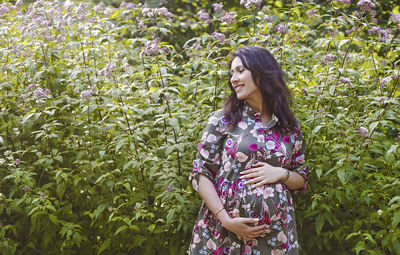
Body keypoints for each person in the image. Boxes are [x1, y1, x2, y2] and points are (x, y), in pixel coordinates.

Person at [188, 46, 309, 255]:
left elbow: (302, 178)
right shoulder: (222, 120)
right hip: (222, 232)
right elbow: (200, 174)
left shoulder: (289, 125)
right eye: (231, 73)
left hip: (274, 236)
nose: (233, 78)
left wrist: (281, 173)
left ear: (262, 72)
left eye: (240, 70)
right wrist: (227, 220)